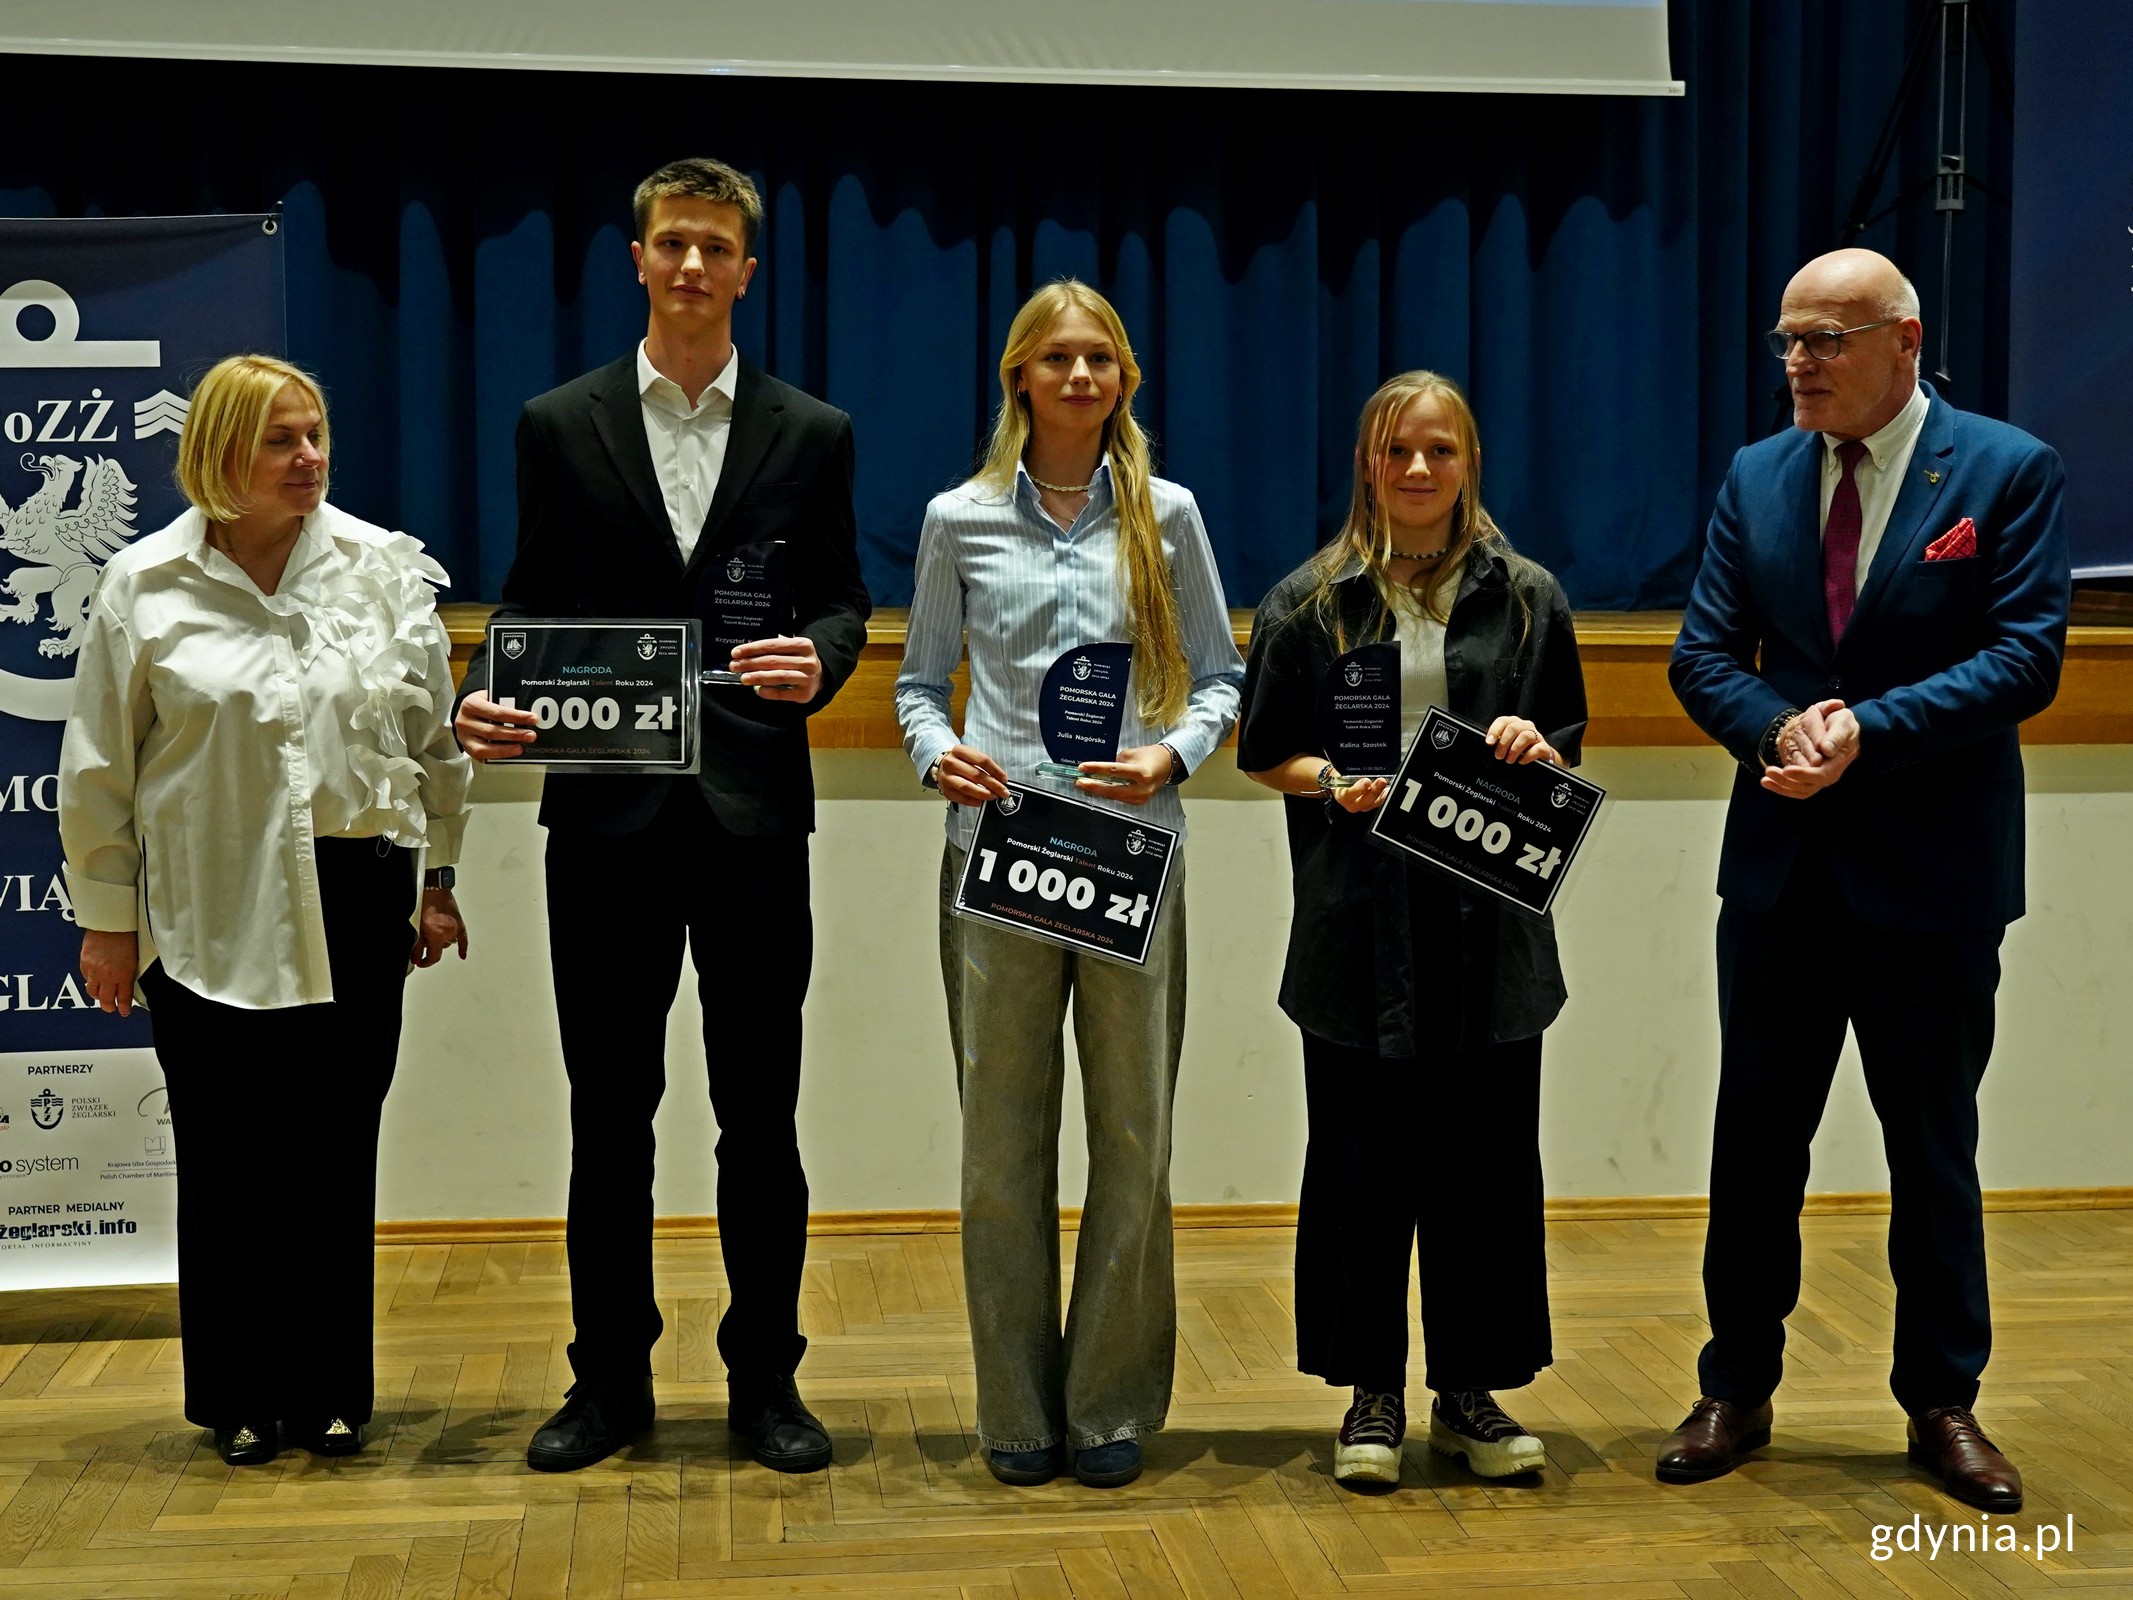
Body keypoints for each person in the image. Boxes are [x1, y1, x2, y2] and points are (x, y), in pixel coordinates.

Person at [453, 156, 869, 1475]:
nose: (692, 266)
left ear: (750, 270)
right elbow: (526, 603)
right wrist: (483, 685)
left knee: (763, 1119)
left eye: (716, 247)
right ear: (636, 259)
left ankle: (768, 1386)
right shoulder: (555, 423)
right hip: (605, 819)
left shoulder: (813, 432)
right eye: (671, 243)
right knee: (607, 1115)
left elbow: (844, 602)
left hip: (754, 816)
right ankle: (608, 1384)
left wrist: (826, 658)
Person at [1663, 248, 2069, 1512]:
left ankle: (1943, 1402)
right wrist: (1782, 730)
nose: (1799, 362)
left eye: (1826, 339)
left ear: (1905, 340)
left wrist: (1865, 731)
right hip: (1783, 871)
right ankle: (1736, 1382)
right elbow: (1700, 654)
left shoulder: (2006, 470)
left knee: (1932, 1148)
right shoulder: (1758, 473)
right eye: (1788, 339)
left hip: (1934, 880)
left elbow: (2026, 657)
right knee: (1754, 1143)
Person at [59, 354, 472, 1467]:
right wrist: (107, 917)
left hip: (357, 893)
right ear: (219, 456)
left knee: (335, 1151)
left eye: (317, 434)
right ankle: (239, 1393)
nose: (310, 458)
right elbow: (98, 765)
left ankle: (330, 1389)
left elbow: (434, 749)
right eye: (281, 440)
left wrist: (439, 883)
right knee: (232, 1155)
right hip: (206, 900)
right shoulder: (143, 585)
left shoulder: (383, 568)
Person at [894, 280, 1243, 1490]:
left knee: (1134, 1136)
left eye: (1101, 359)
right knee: (1001, 1145)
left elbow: (1221, 678)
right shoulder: (959, 518)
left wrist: (1174, 751)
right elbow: (915, 684)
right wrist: (940, 754)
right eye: (1059, 359)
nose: (1081, 377)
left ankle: (1104, 1403)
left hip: (1130, 859)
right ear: (1020, 379)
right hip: (998, 860)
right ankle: (1016, 1408)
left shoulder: (1171, 516)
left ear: (1124, 381)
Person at [1236, 371, 1587, 1490]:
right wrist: (1327, 775)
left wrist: (1535, 743)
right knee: (1360, 1165)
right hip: (1356, 924)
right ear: (1368, 467)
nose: (1421, 471)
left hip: (1488, 927)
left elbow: (1563, 741)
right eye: (1399, 453)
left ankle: (1472, 1395)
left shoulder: (1528, 595)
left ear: (1468, 461)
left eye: (1441, 450)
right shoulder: (1312, 601)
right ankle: (1370, 1395)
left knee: (1484, 1165)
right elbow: (1263, 755)